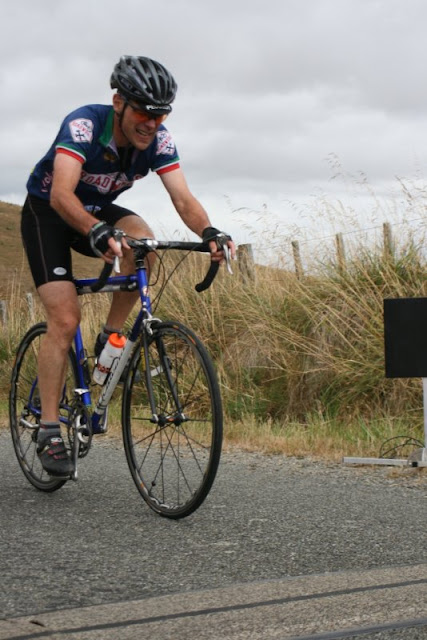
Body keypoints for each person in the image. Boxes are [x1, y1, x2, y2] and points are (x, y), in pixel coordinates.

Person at [21, 55, 235, 478]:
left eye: (161, 115)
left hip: (98, 211)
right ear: (118, 102)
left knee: (144, 245)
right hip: (50, 214)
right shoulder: (84, 126)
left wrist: (209, 231)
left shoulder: (159, 140)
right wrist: (95, 230)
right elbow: (62, 193)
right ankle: (48, 428)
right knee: (64, 319)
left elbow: (183, 198)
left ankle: (110, 335)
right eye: (143, 112)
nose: (151, 124)